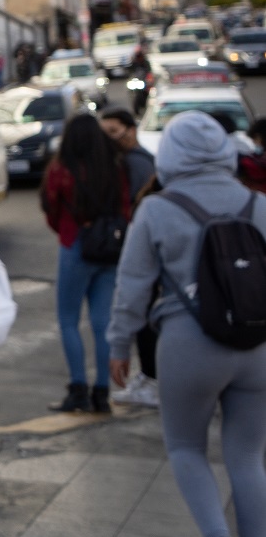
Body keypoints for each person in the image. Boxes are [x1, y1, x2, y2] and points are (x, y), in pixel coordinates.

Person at [108, 112, 266, 537]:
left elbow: (132, 287)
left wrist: (120, 346)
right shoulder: (258, 204)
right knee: (248, 458)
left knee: (184, 446)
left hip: (188, 343)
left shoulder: (156, 209)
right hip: (255, 347)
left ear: (171, 154)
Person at [41, 112, 131, 413]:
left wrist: (68, 231)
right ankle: (102, 392)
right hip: (110, 248)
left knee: (68, 320)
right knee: (102, 322)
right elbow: (126, 206)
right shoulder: (114, 165)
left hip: (76, 243)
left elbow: (51, 207)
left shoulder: (62, 169)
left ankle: (78, 388)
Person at [100, 106, 159, 407]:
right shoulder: (129, 161)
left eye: (113, 132)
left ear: (131, 130)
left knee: (144, 316)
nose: (108, 139)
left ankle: (151, 380)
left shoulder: (139, 165)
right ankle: (149, 377)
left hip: (143, 253)